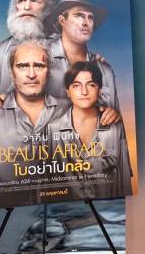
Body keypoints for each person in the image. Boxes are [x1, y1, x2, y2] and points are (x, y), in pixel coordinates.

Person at [0, 40, 66, 211]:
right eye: (23, 66)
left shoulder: (69, 110)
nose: (31, 74)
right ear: (11, 72)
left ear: (49, 71)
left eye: (39, 66)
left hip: (56, 206)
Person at [48, 61, 132, 200]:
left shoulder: (115, 127)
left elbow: (124, 178)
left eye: (91, 85)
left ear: (99, 89)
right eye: (76, 85)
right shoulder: (53, 129)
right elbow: (47, 181)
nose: (84, 92)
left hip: (108, 207)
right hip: (66, 208)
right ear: (68, 91)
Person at [0, 0, 55, 95]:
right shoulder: (2, 49)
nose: (27, 7)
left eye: (34, 1)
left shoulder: (62, 46)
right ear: (15, 7)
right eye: (21, 1)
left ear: (47, 8)